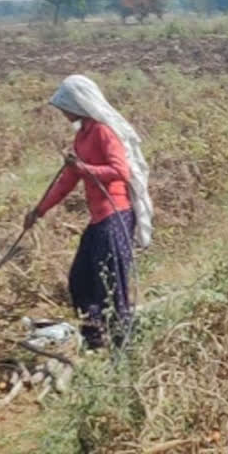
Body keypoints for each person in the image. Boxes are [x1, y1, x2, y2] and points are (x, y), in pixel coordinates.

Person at [23, 75, 153, 349]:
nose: (63, 113)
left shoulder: (103, 132)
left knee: (113, 286)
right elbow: (67, 181)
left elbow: (120, 171)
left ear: (77, 104)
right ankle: (95, 339)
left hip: (115, 216)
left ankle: (124, 345)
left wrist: (84, 169)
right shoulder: (82, 136)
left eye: (65, 107)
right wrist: (39, 210)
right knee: (80, 280)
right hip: (99, 220)